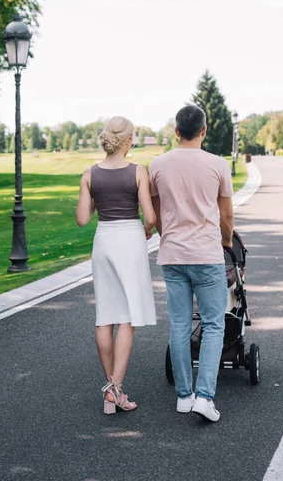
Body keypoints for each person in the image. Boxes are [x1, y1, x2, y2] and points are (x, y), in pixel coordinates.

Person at [149, 104, 234, 422]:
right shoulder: (218, 165)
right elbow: (226, 214)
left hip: (173, 255)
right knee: (213, 325)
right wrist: (226, 240)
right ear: (204, 130)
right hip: (207, 255)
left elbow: (157, 212)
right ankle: (205, 397)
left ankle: (184, 396)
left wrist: (166, 234)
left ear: (175, 131)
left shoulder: (158, 164)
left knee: (180, 325)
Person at [76, 116, 157, 415]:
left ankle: (110, 389)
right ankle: (116, 390)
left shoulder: (89, 174)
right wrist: (148, 230)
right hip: (130, 240)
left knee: (105, 316)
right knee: (127, 317)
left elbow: (83, 218)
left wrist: (97, 196)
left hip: (104, 240)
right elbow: (149, 216)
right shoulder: (138, 171)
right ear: (128, 140)